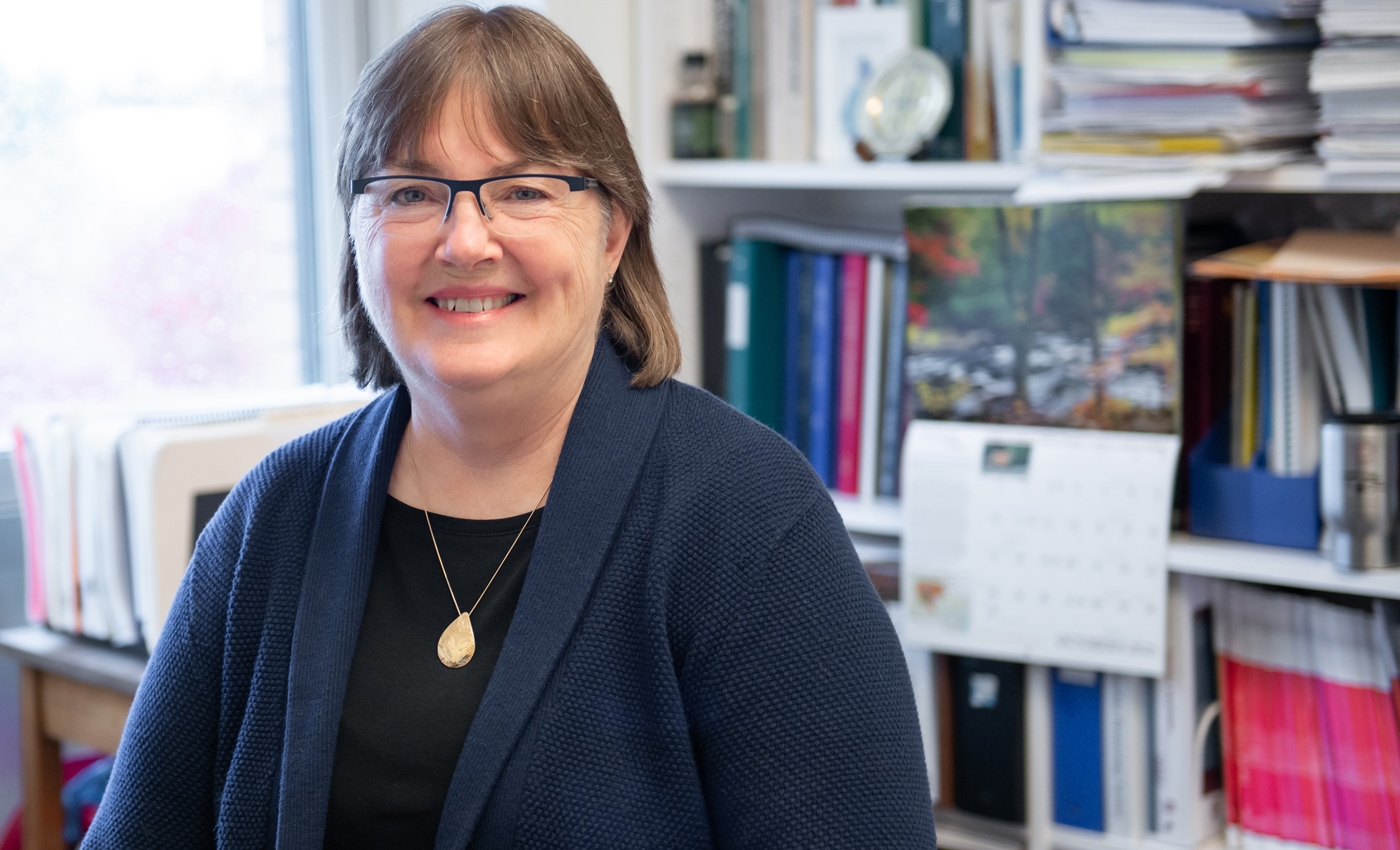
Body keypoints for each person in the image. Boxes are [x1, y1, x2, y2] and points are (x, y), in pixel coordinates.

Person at [83, 7, 934, 849]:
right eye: (412, 192)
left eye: (524, 191)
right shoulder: (276, 512)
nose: (465, 241)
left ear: (612, 235)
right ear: (355, 232)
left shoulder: (749, 519)